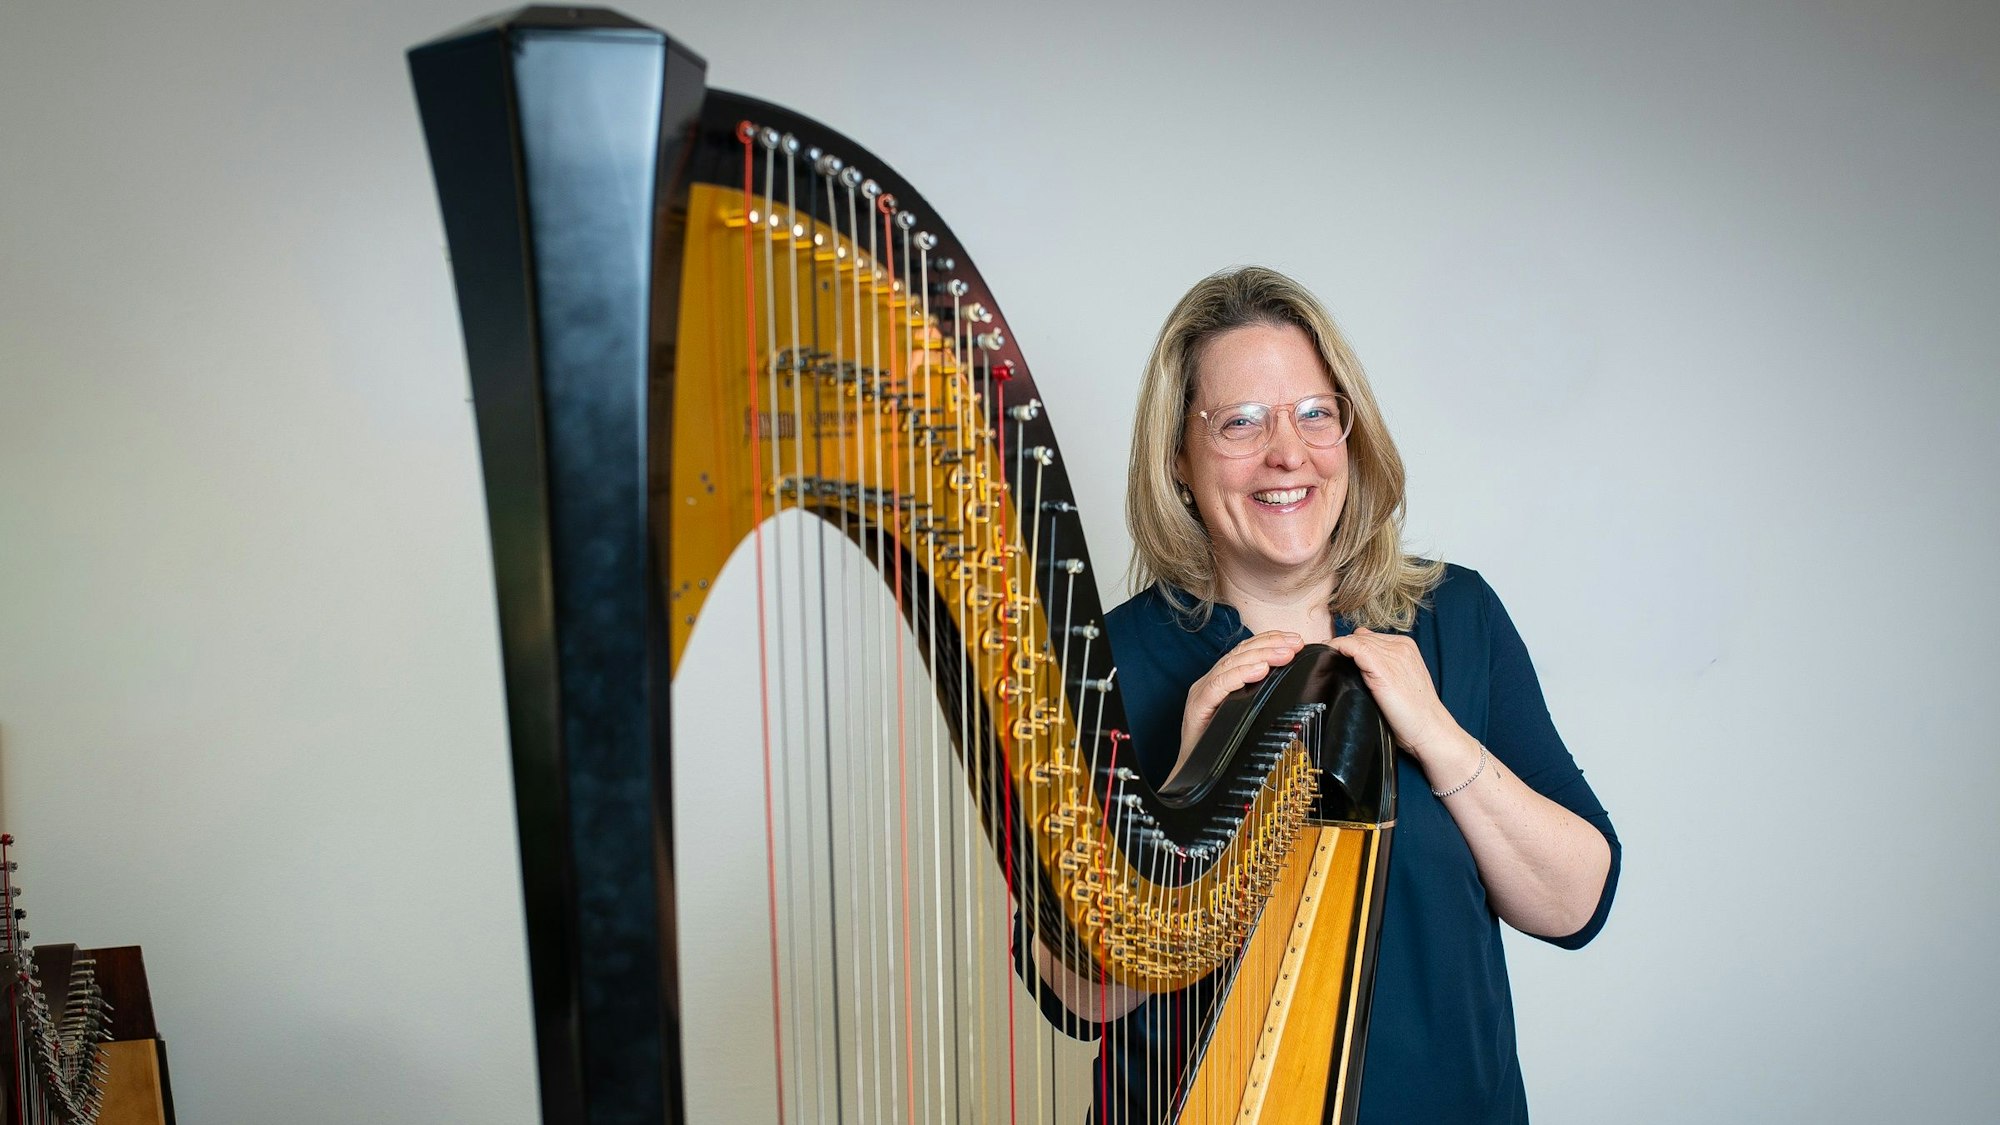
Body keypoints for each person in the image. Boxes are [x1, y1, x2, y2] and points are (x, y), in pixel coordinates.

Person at [1035, 265, 1620, 1122]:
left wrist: (1439, 737)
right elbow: (1076, 998)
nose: (1289, 452)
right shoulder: (1109, 658)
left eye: (1315, 412)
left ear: (1350, 431)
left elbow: (1577, 904)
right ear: (1179, 462)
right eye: (1240, 422)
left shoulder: (1455, 616)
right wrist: (1195, 790)